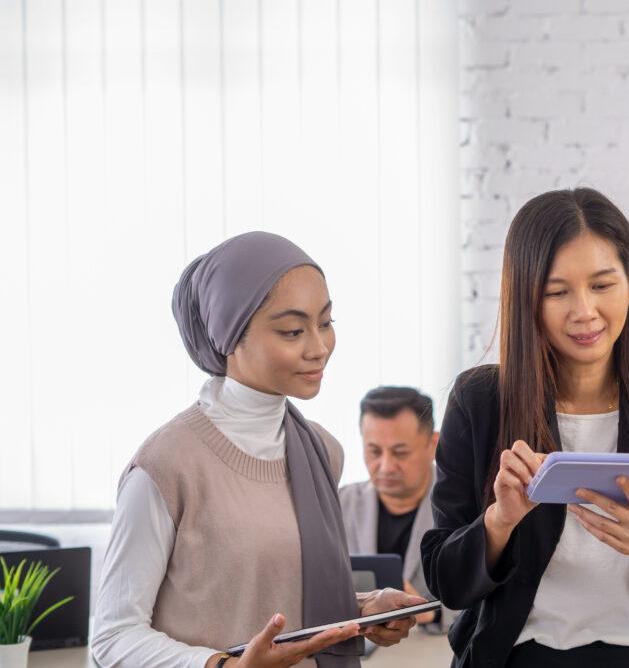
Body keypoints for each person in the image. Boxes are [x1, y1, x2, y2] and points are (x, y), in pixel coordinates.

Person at [420, 188, 629, 668]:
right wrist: (499, 522)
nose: (584, 311)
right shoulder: (479, 402)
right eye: (557, 291)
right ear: (526, 299)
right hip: (522, 655)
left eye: (602, 285)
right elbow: (446, 583)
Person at [91, 232, 423, 668]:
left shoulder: (322, 450)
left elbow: (275, 593)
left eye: (326, 323)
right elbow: (113, 637)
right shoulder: (166, 465)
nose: (319, 348)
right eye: (292, 330)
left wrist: (361, 608)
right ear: (230, 335)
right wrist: (223, 666)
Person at [338, 387, 455, 632]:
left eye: (400, 452)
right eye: (374, 451)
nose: (386, 466)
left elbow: (492, 597)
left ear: (433, 444)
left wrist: (431, 612)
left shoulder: (463, 506)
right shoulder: (339, 504)